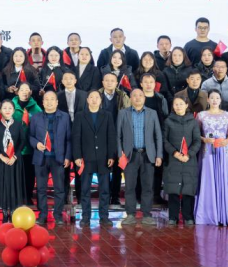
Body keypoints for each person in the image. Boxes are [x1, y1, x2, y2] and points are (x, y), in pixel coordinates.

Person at [117, 88, 163, 226]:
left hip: (148, 155)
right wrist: (120, 154)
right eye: (134, 96)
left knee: (148, 186)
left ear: (144, 98)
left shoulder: (152, 113)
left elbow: (158, 135)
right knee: (130, 187)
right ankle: (130, 214)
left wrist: (159, 155)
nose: (137, 98)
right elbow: (118, 136)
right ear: (130, 98)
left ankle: (147, 214)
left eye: (140, 95)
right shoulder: (123, 113)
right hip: (129, 155)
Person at [72, 90, 117, 227]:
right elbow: (76, 137)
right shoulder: (80, 115)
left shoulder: (107, 115)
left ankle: (104, 216)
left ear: (100, 100)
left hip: (103, 158)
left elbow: (111, 136)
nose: (94, 99)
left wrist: (111, 155)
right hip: (86, 158)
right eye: (91, 97)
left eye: (97, 97)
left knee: (105, 190)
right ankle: (86, 217)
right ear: (87, 100)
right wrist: (77, 156)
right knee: (85, 189)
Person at [28, 91, 71, 226]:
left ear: (57, 102)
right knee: (41, 189)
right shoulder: (36, 117)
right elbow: (30, 136)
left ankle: (58, 215)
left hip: (58, 158)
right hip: (41, 158)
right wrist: (36, 144)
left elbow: (69, 139)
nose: (49, 102)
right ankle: (43, 215)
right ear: (43, 102)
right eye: (46, 99)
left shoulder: (65, 117)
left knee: (59, 188)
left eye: (52, 99)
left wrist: (67, 157)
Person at [196, 90, 228, 226]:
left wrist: (227, 141)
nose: (214, 100)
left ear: (220, 100)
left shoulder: (227, 115)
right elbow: (196, 134)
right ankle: (206, 214)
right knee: (207, 179)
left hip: (223, 150)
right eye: (212, 98)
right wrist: (205, 139)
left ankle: (222, 214)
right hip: (207, 150)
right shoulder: (201, 115)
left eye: (217, 98)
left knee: (222, 179)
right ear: (207, 100)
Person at [162, 96, 201, 226]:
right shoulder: (168, 121)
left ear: (186, 105)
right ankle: (173, 217)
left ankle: (188, 216)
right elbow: (164, 140)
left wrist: (189, 154)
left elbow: (197, 141)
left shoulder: (193, 121)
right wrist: (175, 153)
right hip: (173, 160)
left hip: (189, 160)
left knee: (188, 190)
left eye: (181, 104)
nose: (178, 106)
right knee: (173, 190)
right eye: (176, 104)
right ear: (173, 106)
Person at [0, 99, 27, 222]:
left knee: (14, 185)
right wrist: (1, 156)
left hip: (15, 161)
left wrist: (15, 156)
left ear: (14, 110)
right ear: (0, 110)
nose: (7, 110)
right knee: (3, 185)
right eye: (4, 108)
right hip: (0, 160)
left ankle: (14, 211)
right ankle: (5, 211)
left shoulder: (18, 124)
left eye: (10, 108)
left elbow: (22, 141)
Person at [12, 82, 42, 204]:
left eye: (27, 89)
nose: (24, 92)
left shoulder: (36, 109)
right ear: (17, 92)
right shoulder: (11, 106)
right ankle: (16, 197)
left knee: (29, 174)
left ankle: (28, 196)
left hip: (31, 148)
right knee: (15, 173)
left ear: (30, 92)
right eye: (22, 89)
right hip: (14, 147)